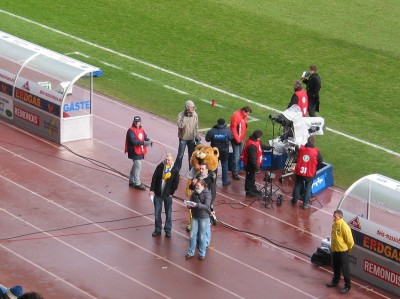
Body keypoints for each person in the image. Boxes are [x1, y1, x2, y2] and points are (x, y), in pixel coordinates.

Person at [149, 153, 180, 237]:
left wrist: (171, 193)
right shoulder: (160, 167)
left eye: (169, 160)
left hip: (167, 195)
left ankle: (168, 229)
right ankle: (158, 229)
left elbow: (176, 183)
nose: (167, 161)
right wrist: (152, 190)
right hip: (158, 194)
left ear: (172, 161)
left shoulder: (175, 170)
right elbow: (154, 178)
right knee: (157, 213)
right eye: (166, 159)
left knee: (168, 213)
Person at [326, 209, 355, 294]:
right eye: (333, 216)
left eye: (335, 217)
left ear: (340, 217)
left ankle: (347, 286)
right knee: (336, 267)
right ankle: (335, 281)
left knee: (345, 269)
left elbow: (350, 241)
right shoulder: (334, 224)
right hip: (335, 250)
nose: (333, 218)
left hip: (343, 251)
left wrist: (347, 250)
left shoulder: (344, 227)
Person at [188, 163, 216, 246]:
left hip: (206, 203)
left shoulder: (211, 178)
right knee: (198, 224)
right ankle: (199, 241)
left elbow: (213, 193)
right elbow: (191, 187)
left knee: (206, 225)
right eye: (200, 169)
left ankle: (206, 242)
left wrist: (209, 205)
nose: (201, 170)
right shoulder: (198, 176)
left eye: (202, 169)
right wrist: (193, 184)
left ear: (207, 170)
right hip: (197, 203)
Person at [291, 135, 323, 209]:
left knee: (298, 185)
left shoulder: (301, 149)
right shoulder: (316, 151)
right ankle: (305, 204)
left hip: (300, 171)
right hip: (309, 173)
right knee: (308, 188)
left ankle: (294, 201)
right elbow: (320, 161)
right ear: (314, 142)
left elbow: (297, 156)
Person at [184, 180, 212, 260]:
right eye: (196, 185)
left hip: (204, 217)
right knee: (192, 235)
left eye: (198, 186)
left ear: (203, 186)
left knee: (202, 236)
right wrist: (189, 205)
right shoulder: (194, 193)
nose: (196, 187)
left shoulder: (208, 194)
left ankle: (202, 253)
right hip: (195, 216)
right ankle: (190, 252)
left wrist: (196, 205)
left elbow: (207, 206)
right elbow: (191, 203)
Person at [125, 116, 152, 190]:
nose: (137, 123)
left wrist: (149, 140)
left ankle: (131, 180)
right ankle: (137, 183)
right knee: (138, 166)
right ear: (133, 122)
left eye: (138, 121)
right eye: (136, 122)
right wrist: (144, 143)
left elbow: (145, 137)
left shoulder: (142, 129)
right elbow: (133, 141)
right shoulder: (130, 130)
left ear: (140, 122)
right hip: (134, 151)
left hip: (140, 150)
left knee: (136, 166)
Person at [205, 118, 234, 186]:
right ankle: (225, 181)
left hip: (215, 151)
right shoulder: (228, 131)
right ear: (224, 123)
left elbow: (207, 139)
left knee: (214, 166)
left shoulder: (212, 131)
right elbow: (231, 138)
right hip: (224, 151)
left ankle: (212, 180)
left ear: (217, 123)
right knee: (225, 166)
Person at [241, 130, 269, 197]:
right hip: (250, 164)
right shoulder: (251, 146)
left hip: (253, 163)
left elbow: (260, 145)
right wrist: (257, 168)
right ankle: (249, 191)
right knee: (249, 177)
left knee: (252, 177)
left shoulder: (255, 141)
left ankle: (253, 189)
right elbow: (252, 159)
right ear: (258, 137)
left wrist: (268, 148)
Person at [175, 100, 201, 172]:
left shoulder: (195, 115)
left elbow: (196, 127)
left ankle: (191, 171)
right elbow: (180, 125)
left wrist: (197, 135)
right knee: (180, 155)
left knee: (192, 156)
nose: (193, 109)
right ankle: (176, 171)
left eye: (193, 107)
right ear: (187, 107)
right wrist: (186, 117)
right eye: (192, 107)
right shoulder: (181, 115)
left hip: (191, 139)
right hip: (183, 139)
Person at [230, 106, 252, 180]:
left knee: (239, 155)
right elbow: (233, 129)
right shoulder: (236, 116)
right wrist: (238, 139)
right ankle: (234, 173)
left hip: (240, 138)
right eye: (247, 114)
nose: (247, 115)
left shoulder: (243, 116)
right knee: (236, 157)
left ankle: (237, 169)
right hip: (236, 139)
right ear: (244, 111)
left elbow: (243, 127)